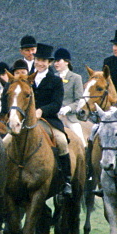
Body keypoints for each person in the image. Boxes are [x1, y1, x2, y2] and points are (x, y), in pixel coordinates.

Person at [30, 43, 74, 197]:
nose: (39, 63)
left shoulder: (55, 81)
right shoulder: (28, 78)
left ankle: (67, 180)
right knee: (6, 141)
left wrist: (41, 110)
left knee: (62, 141)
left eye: (43, 61)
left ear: (49, 63)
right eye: (37, 60)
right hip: (28, 121)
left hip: (48, 119)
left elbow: (56, 104)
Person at [53, 47, 85, 144]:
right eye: (55, 61)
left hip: (70, 118)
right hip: (55, 117)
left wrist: (68, 108)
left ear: (67, 62)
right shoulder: (53, 77)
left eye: (58, 61)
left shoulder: (76, 78)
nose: (55, 64)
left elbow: (79, 100)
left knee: (81, 141)